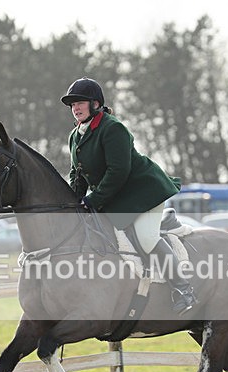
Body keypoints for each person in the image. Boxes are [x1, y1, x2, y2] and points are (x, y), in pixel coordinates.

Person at [61, 77, 198, 315]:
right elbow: (78, 174)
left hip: (144, 192)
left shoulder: (113, 128)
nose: (76, 108)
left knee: (146, 238)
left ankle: (183, 290)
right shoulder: (75, 135)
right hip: (118, 198)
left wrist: (93, 200)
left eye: (80, 102)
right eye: (72, 104)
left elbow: (118, 171)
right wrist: (74, 202)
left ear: (95, 104)